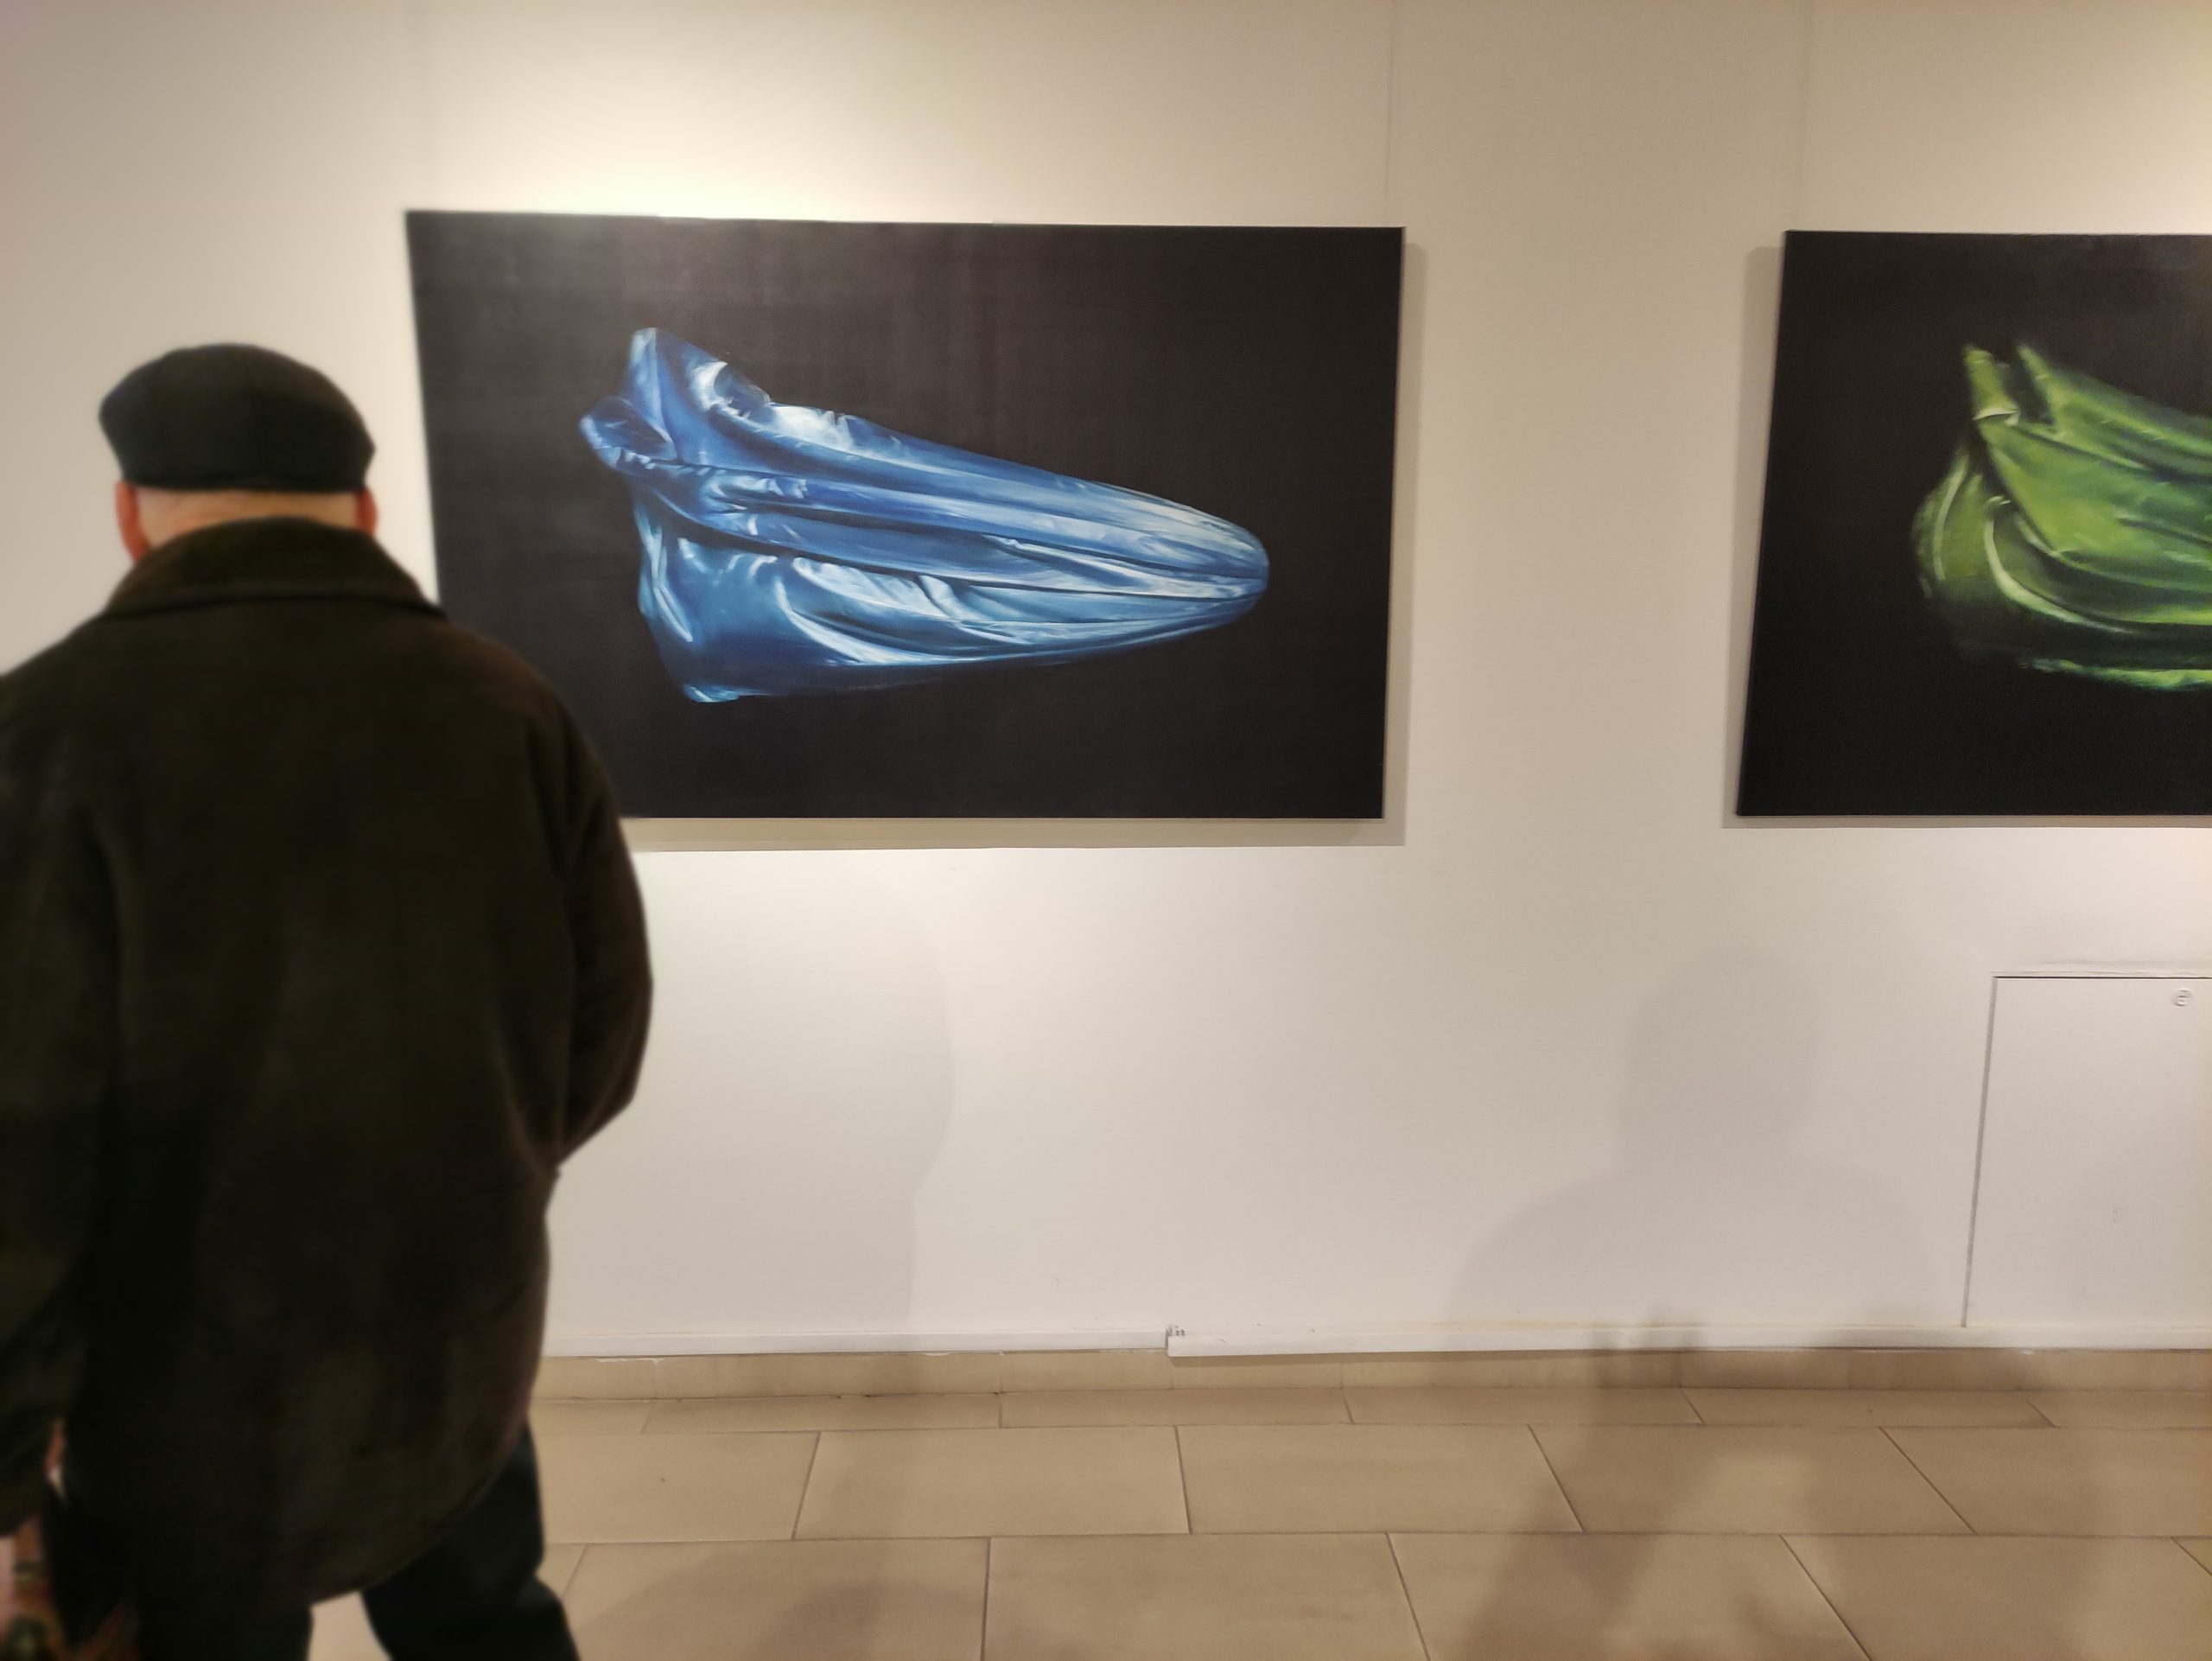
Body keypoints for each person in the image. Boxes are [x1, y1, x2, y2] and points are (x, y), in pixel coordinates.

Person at [0, 345, 653, 1659]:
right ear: (363, 511)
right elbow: (601, 1028)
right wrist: (482, 1179)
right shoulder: (506, 707)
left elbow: (24, 1121)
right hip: (455, 1317)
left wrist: (15, 1430)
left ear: (130, 514)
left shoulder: (46, 730)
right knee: (485, 1622)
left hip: (176, 1367)